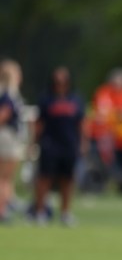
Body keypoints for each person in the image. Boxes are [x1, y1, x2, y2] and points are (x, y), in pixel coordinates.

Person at [29, 66, 86, 226]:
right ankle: (40, 213)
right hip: (49, 144)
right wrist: (33, 142)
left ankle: (65, 213)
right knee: (44, 178)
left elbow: (81, 123)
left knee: (67, 179)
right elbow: (39, 123)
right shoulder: (46, 99)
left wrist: (83, 143)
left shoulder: (75, 99)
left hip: (69, 144)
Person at [0, 59, 25, 223]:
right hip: (7, 137)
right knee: (5, 178)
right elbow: (3, 115)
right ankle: (2, 210)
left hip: (7, 136)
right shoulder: (8, 94)